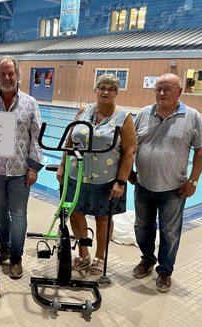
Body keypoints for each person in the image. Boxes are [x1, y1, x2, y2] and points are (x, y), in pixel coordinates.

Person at [131, 73, 202, 293]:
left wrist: (193, 180)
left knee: (170, 232)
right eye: (159, 89)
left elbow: (200, 151)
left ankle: (165, 271)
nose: (162, 93)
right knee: (142, 227)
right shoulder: (144, 114)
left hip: (174, 188)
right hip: (143, 184)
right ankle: (147, 259)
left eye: (168, 89)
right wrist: (127, 172)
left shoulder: (192, 117)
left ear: (179, 92)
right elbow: (130, 145)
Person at [55, 74, 137, 275]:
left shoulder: (123, 117)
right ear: (96, 90)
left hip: (106, 180)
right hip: (76, 175)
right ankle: (83, 254)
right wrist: (63, 165)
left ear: (117, 92)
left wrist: (121, 181)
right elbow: (69, 139)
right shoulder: (84, 111)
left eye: (111, 88)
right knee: (75, 214)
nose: (106, 91)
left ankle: (100, 257)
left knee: (103, 219)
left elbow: (129, 151)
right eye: (102, 87)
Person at [0, 56, 43, 279]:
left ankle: (16, 256)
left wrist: (34, 167)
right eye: (2, 74)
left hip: (19, 171)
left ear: (18, 75)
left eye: (11, 73)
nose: (7, 77)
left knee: (18, 214)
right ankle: (4, 248)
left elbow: (36, 138)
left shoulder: (30, 103)